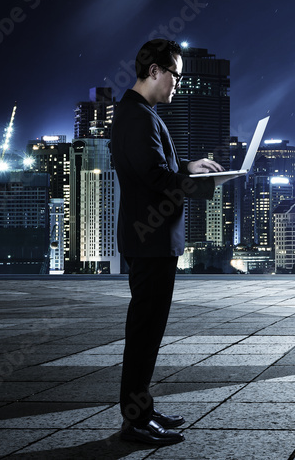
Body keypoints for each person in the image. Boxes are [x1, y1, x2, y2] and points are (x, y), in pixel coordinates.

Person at [111, 39, 225, 446]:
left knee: (148, 331)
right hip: (150, 240)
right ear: (155, 70)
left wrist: (188, 167)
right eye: (175, 74)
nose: (178, 82)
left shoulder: (140, 114)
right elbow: (156, 179)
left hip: (151, 240)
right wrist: (203, 183)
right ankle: (136, 422)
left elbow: (158, 168)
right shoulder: (138, 117)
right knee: (144, 331)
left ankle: (142, 410)